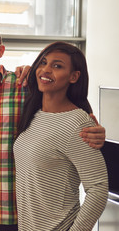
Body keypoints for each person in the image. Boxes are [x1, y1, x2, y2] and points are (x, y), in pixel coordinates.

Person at [0, 23, 106, 231]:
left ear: (1, 50)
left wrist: (95, 128)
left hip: (18, 215)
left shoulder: (25, 86)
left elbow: (64, 109)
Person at [13, 41, 108, 230]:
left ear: (74, 76)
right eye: (43, 63)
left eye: (57, 66)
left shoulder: (77, 123)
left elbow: (98, 188)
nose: (46, 70)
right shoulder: (33, 114)